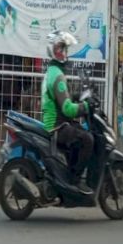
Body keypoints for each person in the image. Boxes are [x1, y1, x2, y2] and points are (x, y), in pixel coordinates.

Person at [42, 31, 93, 195]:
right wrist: (84, 106)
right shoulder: (57, 76)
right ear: (55, 51)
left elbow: (63, 99)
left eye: (64, 49)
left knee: (80, 133)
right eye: (62, 49)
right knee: (87, 139)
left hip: (58, 123)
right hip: (57, 127)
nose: (65, 53)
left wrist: (77, 97)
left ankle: (69, 174)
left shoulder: (52, 72)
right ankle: (75, 180)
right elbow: (67, 109)